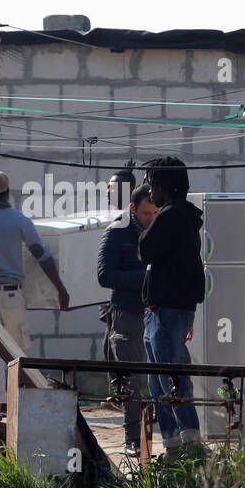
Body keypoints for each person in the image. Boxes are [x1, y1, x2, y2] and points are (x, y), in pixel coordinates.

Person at [0, 171, 71, 402]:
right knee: (16, 350)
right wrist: (60, 289)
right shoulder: (19, 220)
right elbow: (41, 255)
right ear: (7, 192)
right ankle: (18, 399)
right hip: (11, 293)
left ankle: (0, 400)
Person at [137, 156, 205, 458]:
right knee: (159, 385)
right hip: (162, 310)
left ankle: (190, 446)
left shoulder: (171, 216)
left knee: (172, 379)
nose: (149, 191)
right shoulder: (179, 217)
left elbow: (145, 248)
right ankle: (173, 446)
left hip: (166, 311)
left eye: (152, 184)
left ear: (165, 185)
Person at [97, 182, 158, 454]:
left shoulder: (161, 230)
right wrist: (145, 277)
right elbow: (104, 276)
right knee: (131, 381)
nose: (151, 219)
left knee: (160, 379)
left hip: (158, 313)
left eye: (155, 213)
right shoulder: (116, 233)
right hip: (128, 314)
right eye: (146, 214)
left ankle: (163, 439)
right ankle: (134, 441)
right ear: (133, 209)